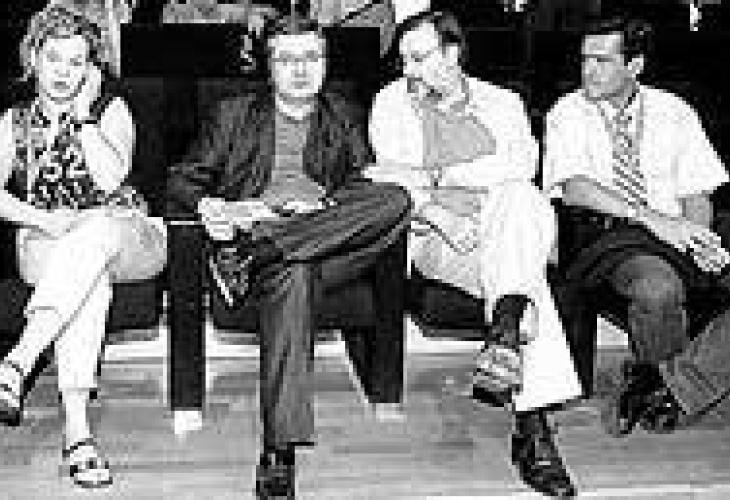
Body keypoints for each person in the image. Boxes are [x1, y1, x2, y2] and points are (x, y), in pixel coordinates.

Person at [166, 14, 411, 499]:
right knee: (294, 273)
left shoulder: (343, 115)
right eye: (287, 59)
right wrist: (213, 205)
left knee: (395, 199)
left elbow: (363, 187)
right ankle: (279, 449)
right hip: (271, 239)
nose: (301, 69)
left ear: (325, 62)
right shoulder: (234, 114)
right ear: (269, 66)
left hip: (325, 243)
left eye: (311, 57)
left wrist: (322, 209)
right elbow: (181, 179)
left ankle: (260, 255)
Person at [367, 10, 582, 498]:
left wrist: (439, 175)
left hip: (508, 224)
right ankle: (529, 418)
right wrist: (447, 201)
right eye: (403, 60)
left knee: (519, 199)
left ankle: (507, 339)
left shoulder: (502, 102)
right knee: (527, 281)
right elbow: (394, 181)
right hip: (443, 236)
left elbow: (522, 167)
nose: (409, 70)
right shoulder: (392, 103)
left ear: (452, 54)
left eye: (420, 58)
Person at [0, 4, 167, 489]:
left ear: (91, 69)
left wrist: (82, 115)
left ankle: (20, 359)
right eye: (53, 58)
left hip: (126, 236)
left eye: (76, 62)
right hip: (47, 243)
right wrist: (44, 219)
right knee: (86, 274)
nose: (62, 72)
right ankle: (78, 434)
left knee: (96, 231)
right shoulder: (13, 122)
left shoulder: (110, 111)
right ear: (33, 58)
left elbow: (112, 180)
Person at [543, 15, 728, 435]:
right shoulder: (568, 112)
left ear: (635, 65)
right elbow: (575, 188)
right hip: (610, 236)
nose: (588, 70)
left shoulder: (675, 111)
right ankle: (677, 390)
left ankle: (662, 388)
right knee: (657, 289)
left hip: (676, 232)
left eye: (602, 61)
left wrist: (697, 239)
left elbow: (696, 192)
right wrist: (653, 220)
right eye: (584, 59)